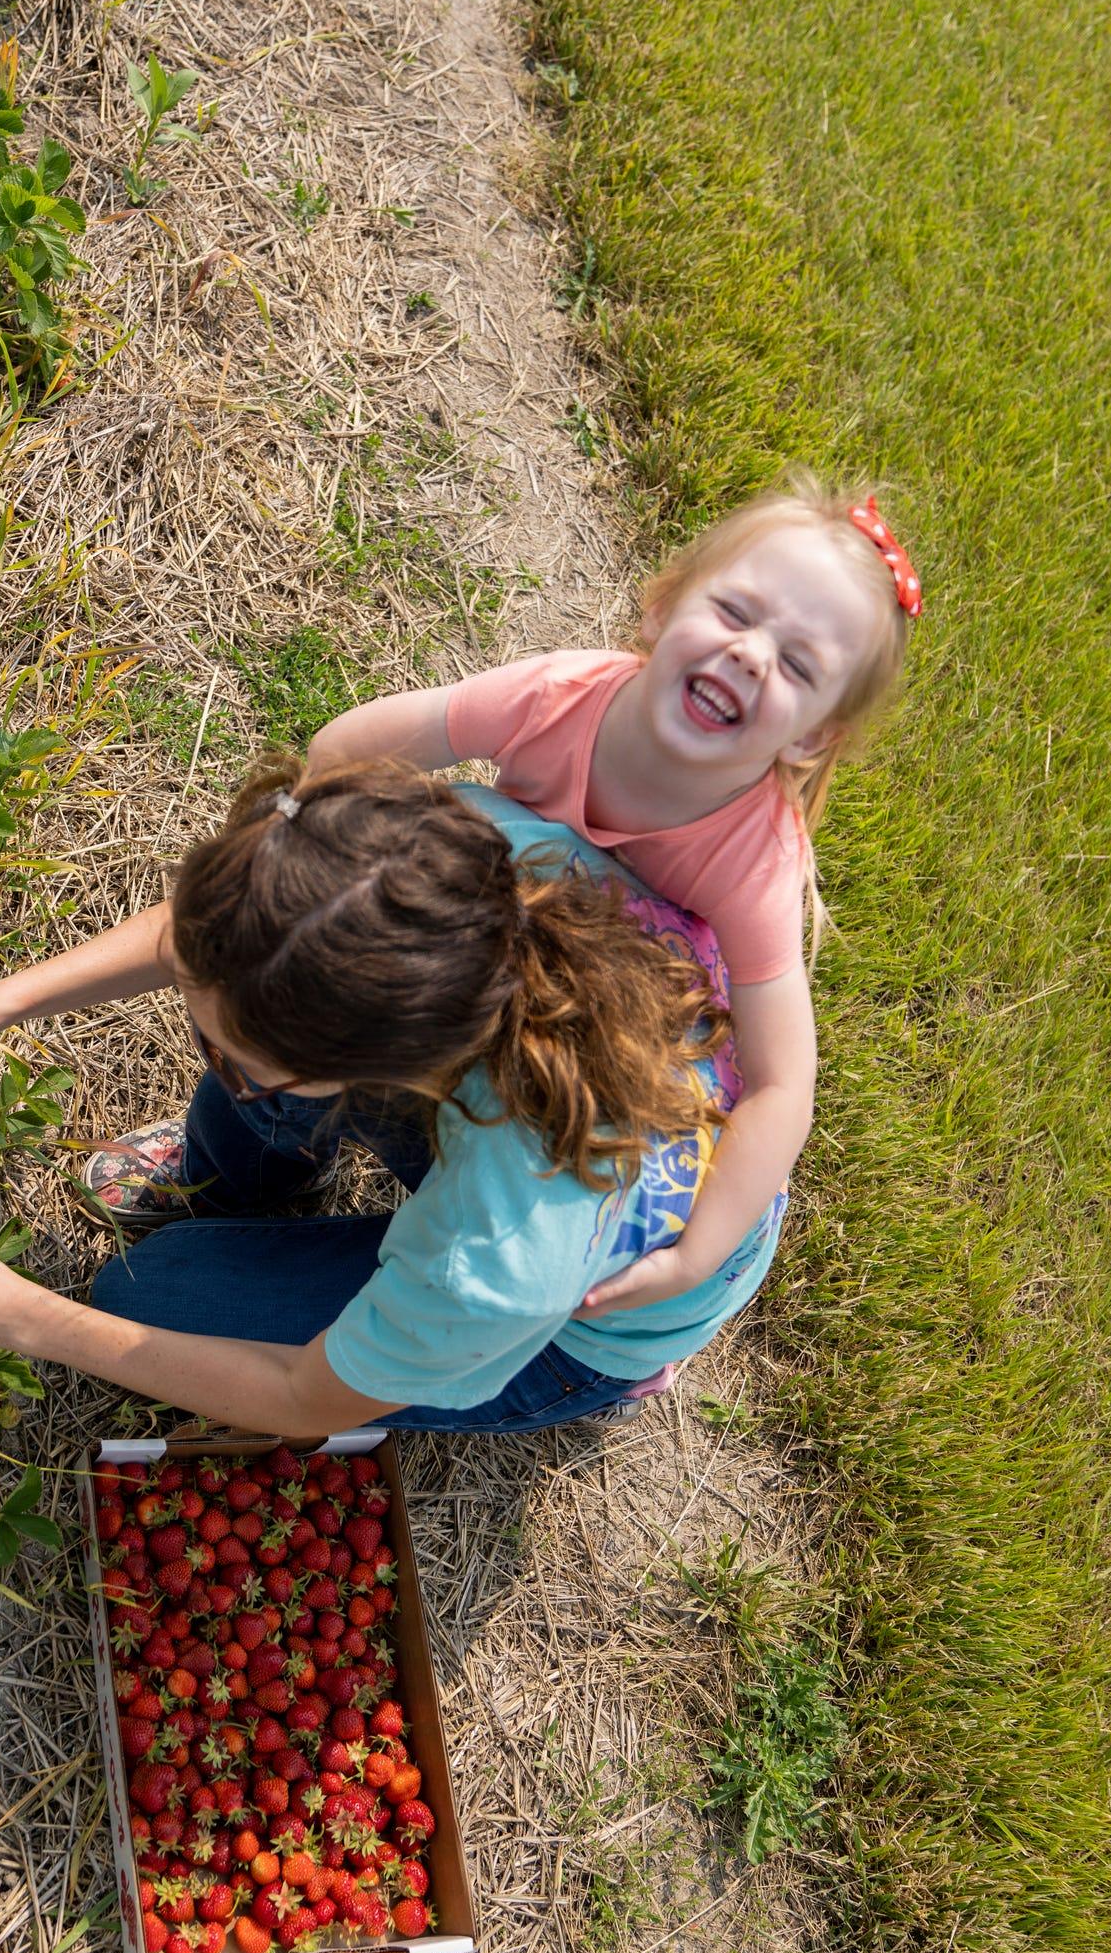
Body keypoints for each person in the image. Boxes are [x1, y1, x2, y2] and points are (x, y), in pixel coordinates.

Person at [0, 762, 785, 1435]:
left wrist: (19, 1318)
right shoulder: (451, 871)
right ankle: (248, 1181)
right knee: (249, 1070)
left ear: (378, 1062)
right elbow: (228, 943)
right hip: (512, 1126)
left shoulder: (497, 1264)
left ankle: (578, 1380)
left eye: (237, 1054)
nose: (208, 1049)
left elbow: (305, 1400)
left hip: (577, 1326)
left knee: (144, 1298)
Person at [305, 480, 921, 1332]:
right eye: (736, 612)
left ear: (812, 736)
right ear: (663, 608)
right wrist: (301, 853)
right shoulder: (560, 697)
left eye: (798, 665)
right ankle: (243, 1166)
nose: (750, 655)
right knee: (303, 974)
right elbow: (350, 745)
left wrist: (695, 1252)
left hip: (602, 1079)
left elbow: (784, 1083)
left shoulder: (754, 859)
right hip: (507, 987)